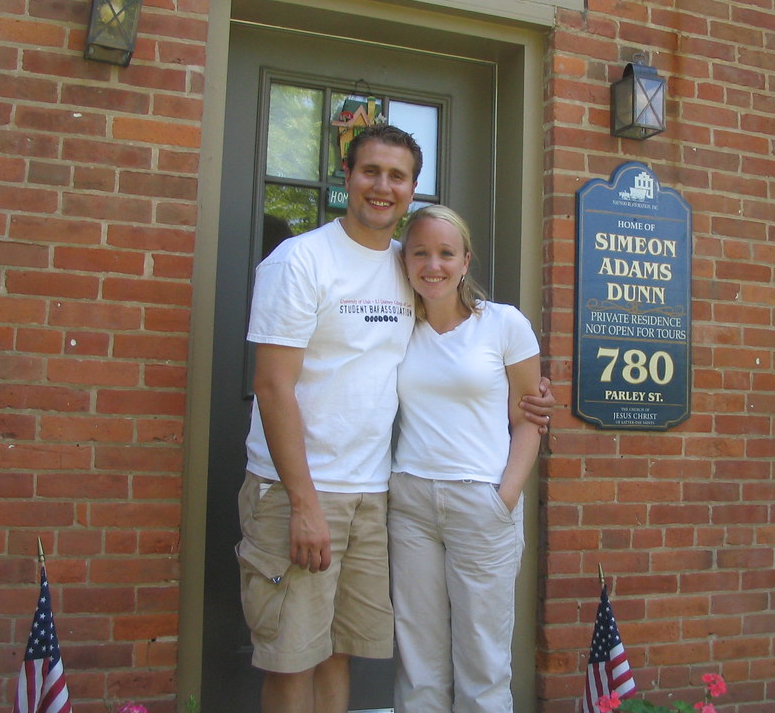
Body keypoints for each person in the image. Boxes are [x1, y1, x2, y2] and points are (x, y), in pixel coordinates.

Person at [235, 124, 553, 713]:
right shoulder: (301, 260)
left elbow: (504, 387)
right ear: (347, 177)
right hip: (302, 490)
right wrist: (303, 502)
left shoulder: (406, 273)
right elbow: (272, 386)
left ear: (411, 189)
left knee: (339, 651)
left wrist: (518, 446)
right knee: (292, 655)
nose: (383, 186)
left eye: (397, 176)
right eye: (370, 171)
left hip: (374, 492)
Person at [388, 204, 543, 713]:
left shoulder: (504, 325)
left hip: (482, 502)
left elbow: (528, 419)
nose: (433, 264)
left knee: (483, 663)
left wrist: (506, 496)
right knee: (418, 663)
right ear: (404, 261)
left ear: (465, 260)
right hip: (409, 502)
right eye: (420, 253)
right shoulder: (396, 328)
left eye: (446, 253)